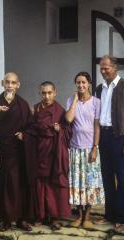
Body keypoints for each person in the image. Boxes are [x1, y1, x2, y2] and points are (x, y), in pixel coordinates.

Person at [0, 72, 36, 231]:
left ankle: (21, 219)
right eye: (7, 82)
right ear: (2, 83)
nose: (10, 85)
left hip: (20, 152)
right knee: (3, 185)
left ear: (18, 85)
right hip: (2, 151)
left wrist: (24, 135)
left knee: (21, 184)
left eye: (13, 82)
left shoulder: (23, 104)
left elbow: (30, 127)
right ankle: (4, 219)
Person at [96, 55, 124, 232]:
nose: (103, 71)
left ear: (115, 67)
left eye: (106, 68)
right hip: (104, 138)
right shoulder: (99, 89)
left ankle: (122, 217)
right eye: (101, 68)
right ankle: (109, 215)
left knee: (122, 179)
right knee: (106, 178)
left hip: (119, 138)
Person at [65, 72, 104, 229]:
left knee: (90, 183)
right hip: (74, 148)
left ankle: (87, 216)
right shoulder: (70, 100)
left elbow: (97, 126)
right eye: (78, 83)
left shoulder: (96, 102)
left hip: (90, 148)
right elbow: (68, 119)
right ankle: (79, 216)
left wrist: (95, 147)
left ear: (89, 84)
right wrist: (74, 101)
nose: (81, 85)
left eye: (83, 82)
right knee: (76, 183)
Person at [30, 81, 71, 230]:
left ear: (55, 93)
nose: (46, 96)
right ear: (40, 93)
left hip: (53, 152)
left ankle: (54, 217)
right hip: (39, 151)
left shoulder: (59, 111)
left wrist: (60, 129)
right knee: (39, 184)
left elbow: (68, 131)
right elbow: (31, 127)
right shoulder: (35, 109)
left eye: (49, 93)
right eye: (43, 93)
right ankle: (40, 215)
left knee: (53, 184)